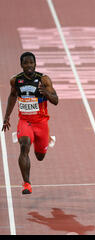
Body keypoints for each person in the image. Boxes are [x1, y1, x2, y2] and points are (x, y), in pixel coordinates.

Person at [2, 52, 59, 194]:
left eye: (31, 63)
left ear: (35, 64)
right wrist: (6, 116)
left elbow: (56, 100)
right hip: (25, 121)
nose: (29, 66)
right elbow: (13, 95)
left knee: (40, 157)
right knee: (24, 145)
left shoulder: (44, 80)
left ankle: (39, 141)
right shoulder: (15, 80)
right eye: (26, 63)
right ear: (21, 65)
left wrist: (46, 93)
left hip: (41, 123)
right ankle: (27, 183)